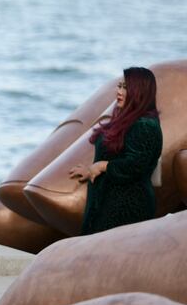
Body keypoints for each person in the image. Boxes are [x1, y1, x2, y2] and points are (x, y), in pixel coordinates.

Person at [69, 67, 162, 235]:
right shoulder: (128, 119)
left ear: (139, 91)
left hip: (126, 208)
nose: (118, 91)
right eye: (119, 86)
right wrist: (91, 170)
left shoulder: (145, 125)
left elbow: (135, 165)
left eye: (125, 87)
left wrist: (102, 166)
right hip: (109, 203)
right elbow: (115, 154)